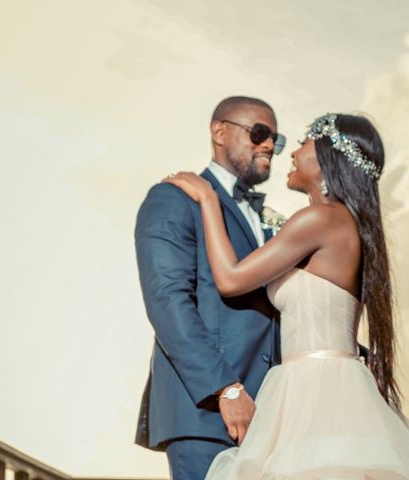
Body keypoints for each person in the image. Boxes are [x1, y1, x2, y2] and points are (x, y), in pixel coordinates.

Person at [164, 113, 409, 479]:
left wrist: (208, 199)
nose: (292, 152)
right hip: (332, 384)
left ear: (328, 157)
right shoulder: (346, 222)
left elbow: (231, 280)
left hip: (313, 389)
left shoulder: (320, 220)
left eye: (305, 141)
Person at [134, 96, 287, 480]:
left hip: (274, 417)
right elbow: (167, 302)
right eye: (259, 133)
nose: (269, 145)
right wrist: (227, 389)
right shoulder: (173, 199)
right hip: (207, 414)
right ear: (219, 132)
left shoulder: (270, 221)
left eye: (275, 139)